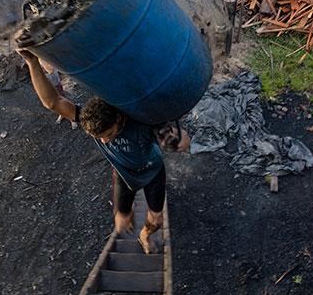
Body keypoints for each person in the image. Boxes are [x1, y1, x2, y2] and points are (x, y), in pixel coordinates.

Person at [17, 46, 190, 254]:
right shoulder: (91, 120)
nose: (106, 142)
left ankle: (145, 235)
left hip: (152, 171)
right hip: (124, 175)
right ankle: (128, 207)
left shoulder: (142, 124)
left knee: (157, 219)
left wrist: (176, 141)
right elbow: (52, 102)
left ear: (119, 118)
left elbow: (182, 142)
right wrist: (32, 62)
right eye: (99, 138)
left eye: (108, 134)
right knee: (121, 222)